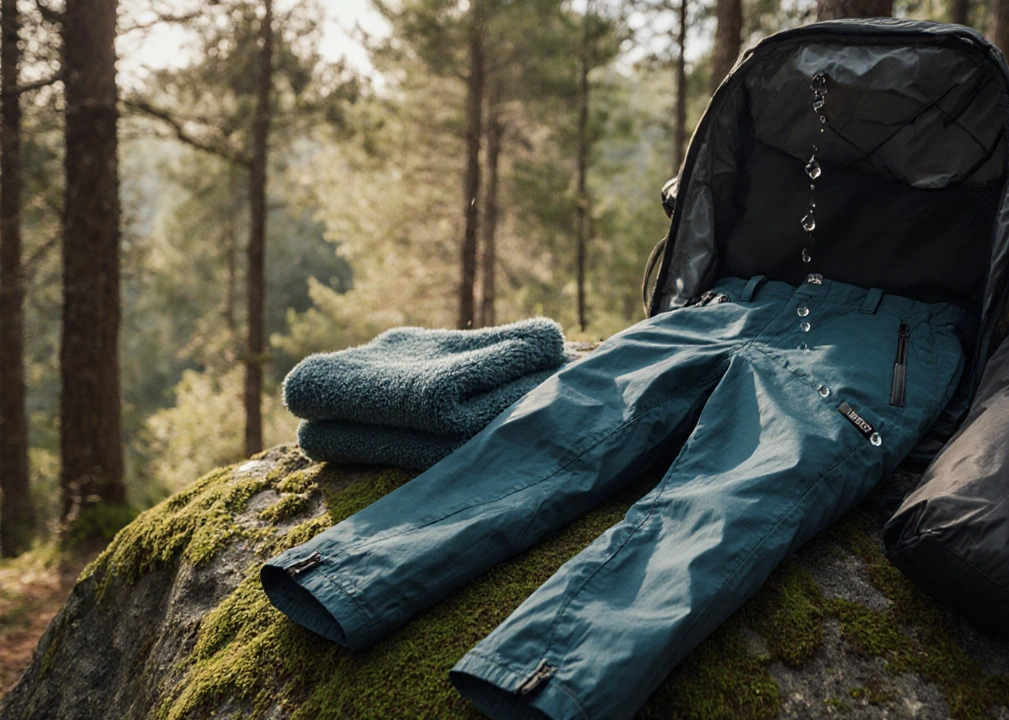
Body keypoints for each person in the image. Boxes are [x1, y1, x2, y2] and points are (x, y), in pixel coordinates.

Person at [261, 271, 968, 720]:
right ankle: (346, 574)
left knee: (725, 497)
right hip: (746, 293)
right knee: (562, 428)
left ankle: (550, 670)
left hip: (890, 341)